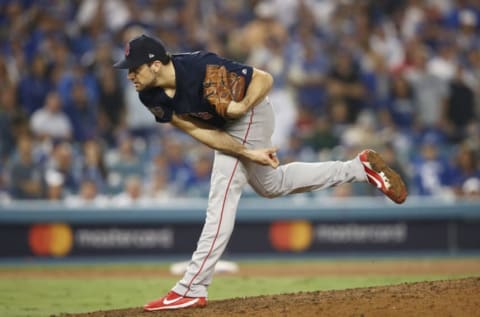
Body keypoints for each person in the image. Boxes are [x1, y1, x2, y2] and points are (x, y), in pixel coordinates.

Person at [113, 34, 407, 311]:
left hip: (252, 112)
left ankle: (192, 287)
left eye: (134, 69)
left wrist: (240, 106)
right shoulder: (149, 95)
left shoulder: (199, 67)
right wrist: (247, 153)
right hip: (223, 129)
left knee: (221, 195)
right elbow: (197, 131)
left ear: (155, 64)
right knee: (272, 185)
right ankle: (358, 168)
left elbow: (265, 78)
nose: (129, 75)